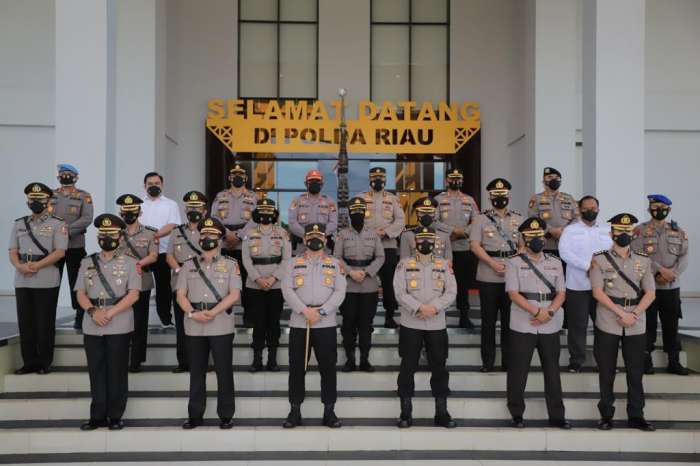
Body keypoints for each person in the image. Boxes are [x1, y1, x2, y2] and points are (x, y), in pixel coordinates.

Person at [590, 213, 656, 432]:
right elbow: (597, 292)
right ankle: (606, 415)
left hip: (636, 320)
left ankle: (636, 415)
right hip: (609, 319)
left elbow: (650, 293)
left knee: (635, 372)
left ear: (633, 233)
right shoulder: (599, 259)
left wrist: (633, 314)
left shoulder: (643, 259)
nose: (624, 234)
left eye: (627, 231)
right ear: (612, 234)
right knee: (606, 371)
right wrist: (621, 312)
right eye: (619, 231)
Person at [75, 214, 140, 430]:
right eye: (103, 234)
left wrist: (110, 313)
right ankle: (97, 416)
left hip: (119, 322)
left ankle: (115, 416)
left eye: (112, 234)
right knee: (96, 371)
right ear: (98, 237)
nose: (107, 238)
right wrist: (93, 311)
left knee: (117, 371)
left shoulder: (131, 263)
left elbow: (133, 295)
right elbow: (80, 293)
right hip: (92, 322)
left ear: (120, 237)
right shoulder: (87, 262)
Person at [175, 216, 241, 430]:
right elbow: (180, 295)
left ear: (220, 239)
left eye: (211, 235)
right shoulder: (188, 265)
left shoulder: (231, 264)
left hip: (220, 323)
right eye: (203, 235)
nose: (206, 238)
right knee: (196, 372)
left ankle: (226, 415)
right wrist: (192, 312)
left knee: (224, 371)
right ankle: (195, 415)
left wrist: (213, 312)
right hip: (194, 324)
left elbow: (234, 295)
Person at [505, 217, 570, 429]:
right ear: (524, 238)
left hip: (550, 322)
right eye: (532, 236)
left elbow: (561, 293)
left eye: (540, 236)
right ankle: (516, 414)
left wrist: (548, 312)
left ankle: (557, 415)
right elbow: (513, 293)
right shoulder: (514, 262)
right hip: (523, 322)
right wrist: (537, 312)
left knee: (552, 371)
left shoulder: (555, 262)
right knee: (518, 371)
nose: (536, 240)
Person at [280, 223, 346, 429]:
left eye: (319, 236)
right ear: (304, 239)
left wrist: (322, 311)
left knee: (328, 369)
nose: (315, 240)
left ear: (325, 240)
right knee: (297, 368)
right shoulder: (292, 263)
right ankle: (295, 410)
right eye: (311, 236)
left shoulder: (335, 264)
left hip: (325, 324)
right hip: (300, 323)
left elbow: (340, 292)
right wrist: (304, 310)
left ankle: (329, 411)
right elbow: (287, 290)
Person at [393, 227, 457, 429]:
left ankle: (441, 412)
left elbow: (451, 291)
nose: (425, 243)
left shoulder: (443, 265)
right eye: (421, 240)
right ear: (415, 243)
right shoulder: (404, 264)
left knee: (439, 368)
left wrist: (433, 308)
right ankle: (405, 412)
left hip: (436, 324)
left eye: (430, 239)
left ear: (435, 243)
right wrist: (419, 308)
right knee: (407, 367)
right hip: (411, 323)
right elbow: (399, 292)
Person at [9, 182, 67, 374]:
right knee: (25, 323)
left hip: (46, 279)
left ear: (48, 201)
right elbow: (13, 250)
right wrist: (20, 266)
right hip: (22, 278)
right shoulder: (19, 223)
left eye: (40, 199)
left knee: (44, 323)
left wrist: (36, 266)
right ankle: (29, 362)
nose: (35, 202)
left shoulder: (58, 224)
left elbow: (60, 252)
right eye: (32, 199)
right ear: (27, 201)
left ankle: (44, 362)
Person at [632, 194, 689, 375]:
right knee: (647, 324)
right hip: (648, 286)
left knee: (671, 325)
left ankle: (674, 361)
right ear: (649, 209)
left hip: (671, 287)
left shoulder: (678, 231)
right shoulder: (639, 231)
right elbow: (637, 253)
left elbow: (684, 257)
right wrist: (659, 271)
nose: (658, 210)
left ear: (669, 210)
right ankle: (645, 360)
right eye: (655, 207)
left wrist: (672, 274)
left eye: (662, 208)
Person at [470, 178, 522, 372]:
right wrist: (492, 262)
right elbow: (475, 245)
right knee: (488, 322)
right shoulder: (480, 219)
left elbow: (523, 246)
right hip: (488, 274)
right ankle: (488, 361)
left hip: (511, 276)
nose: (500, 198)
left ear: (508, 196)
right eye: (496, 195)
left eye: (503, 195)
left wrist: (512, 263)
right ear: (490, 197)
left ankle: (508, 361)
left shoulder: (518, 219)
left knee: (510, 321)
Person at [558, 195, 613, 372]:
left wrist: (601, 270)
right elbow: (564, 252)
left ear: (598, 209)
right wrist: (587, 266)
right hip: (577, 285)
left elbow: (613, 253)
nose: (590, 211)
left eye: (593, 208)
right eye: (586, 208)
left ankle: (604, 361)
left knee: (603, 325)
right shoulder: (570, 230)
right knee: (577, 325)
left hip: (604, 287)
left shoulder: (607, 229)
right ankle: (576, 360)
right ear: (580, 210)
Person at [333, 197, 385, 372]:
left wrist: (367, 271)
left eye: (360, 211)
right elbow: (337, 257)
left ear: (365, 213)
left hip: (369, 284)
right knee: (348, 324)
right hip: (348, 285)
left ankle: (364, 360)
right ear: (349, 213)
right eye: (354, 211)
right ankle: (350, 360)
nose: (357, 214)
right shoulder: (342, 234)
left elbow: (380, 257)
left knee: (366, 325)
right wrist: (350, 272)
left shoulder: (373, 234)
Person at [242, 198, 291, 372]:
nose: (265, 214)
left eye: (269, 211)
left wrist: (273, 278)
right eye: (262, 211)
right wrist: (258, 279)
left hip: (275, 285)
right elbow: (246, 259)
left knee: (273, 323)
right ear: (257, 213)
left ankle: (272, 359)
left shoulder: (282, 233)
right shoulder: (249, 233)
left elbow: (287, 259)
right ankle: (257, 360)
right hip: (254, 285)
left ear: (274, 214)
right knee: (258, 323)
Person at [166, 190, 207, 373]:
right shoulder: (176, 232)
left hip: (202, 282)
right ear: (185, 210)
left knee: (203, 324)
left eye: (197, 207)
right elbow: (169, 256)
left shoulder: (209, 231)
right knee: (182, 323)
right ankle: (183, 362)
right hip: (179, 281)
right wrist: (178, 270)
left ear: (204, 211)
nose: (193, 211)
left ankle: (202, 362)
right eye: (190, 207)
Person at [115, 194, 158, 373]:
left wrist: (137, 264)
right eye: (125, 212)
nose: (129, 215)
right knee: (121, 321)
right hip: (120, 282)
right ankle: (120, 358)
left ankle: (136, 359)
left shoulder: (150, 232)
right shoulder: (115, 232)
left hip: (141, 281)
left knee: (139, 322)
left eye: (132, 211)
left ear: (139, 212)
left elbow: (153, 256)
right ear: (121, 213)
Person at [359, 167, 405, 328]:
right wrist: (371, 234)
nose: (378, 180)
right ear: (370, 179)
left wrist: (385, 232)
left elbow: (400, 220)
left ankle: (389, 316)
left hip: (387, 246)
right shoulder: (361, 198)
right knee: (366, 282)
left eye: (381, 177)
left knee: (388, 283)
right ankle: (366, 318)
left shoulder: (393, 199)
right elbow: (355, 219)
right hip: (367, 246)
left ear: (385, 180)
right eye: (375, 177)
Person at [211, 164, 257, 325]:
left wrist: (238, 235)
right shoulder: (220, 196)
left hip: (244, 245)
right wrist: (227, 234)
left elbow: (255, 219)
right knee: (223, 281)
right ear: (230, 178)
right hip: (225, 244)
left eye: (241, 175)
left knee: (247, 282)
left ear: (245, 178)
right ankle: (224, 315)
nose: (238, 178)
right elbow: (214, 217)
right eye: (234, 175)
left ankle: (248, 317)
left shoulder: (253, 197)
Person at [435, 168, 480, 330]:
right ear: (446, 180)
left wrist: (463, 232)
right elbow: (433, 221)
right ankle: (438, 315)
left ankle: (464, 316)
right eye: (452, 178)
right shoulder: (438, 200)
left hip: (463, 249)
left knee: (463, 285)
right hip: (443, 250)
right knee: (439, 284)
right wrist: (452, 231)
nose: (456, 181)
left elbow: (477, 220)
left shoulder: (469, 200)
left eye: (458, 178)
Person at [51, 163, 94, 329]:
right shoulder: (51, 195)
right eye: (62, 174)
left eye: (69, 174)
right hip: (54, 247)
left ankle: (79, 314)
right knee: (51, 280)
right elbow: (46, 216)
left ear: (76, 177)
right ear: (58, 177)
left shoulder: (84, 196)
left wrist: (65, 230)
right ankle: (48, 314)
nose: (65, 176)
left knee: (76, 281)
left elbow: (87, 218)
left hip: (75, 245)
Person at [140, 172, 182, 328]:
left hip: (163, 251)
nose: (153, 186)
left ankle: (165, 319)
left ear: (162, 185)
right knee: (140, 287)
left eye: (157, 183)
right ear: (144, 186)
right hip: (141, 252)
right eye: (150, 184)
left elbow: (173, 224)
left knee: (163, 286)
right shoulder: (138, 205)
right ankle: (139, 320)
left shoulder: (171, 204)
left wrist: (154, 236)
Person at [527, 167, 579, 256]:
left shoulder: (569, 198)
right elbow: (533, 219)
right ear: (544, 181)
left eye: (556, 178)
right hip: (546, 244)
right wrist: (550, 230)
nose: (554, 180)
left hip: (567, 244)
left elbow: (577, 218)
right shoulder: (536, 198)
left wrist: (565, 231)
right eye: (550, 177)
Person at [287, 169, 338, 254]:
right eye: (311, 181)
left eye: (317, 181)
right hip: (302, 245)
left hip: (323, 245)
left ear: (322, 184)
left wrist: (320, 235)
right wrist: (307, 235)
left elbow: (333, 223)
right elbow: (292, 222)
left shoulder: (330, 202)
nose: (314, 183)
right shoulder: (297, 201)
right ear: (306, 184)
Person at [400, 197, 452, 262]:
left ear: (434, 213)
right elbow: (403, 261)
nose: (427, 215)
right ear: (417, 213)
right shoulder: (407, 235)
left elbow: (448, 262)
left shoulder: (444, 235)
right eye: (422, 212)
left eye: (430, 212)